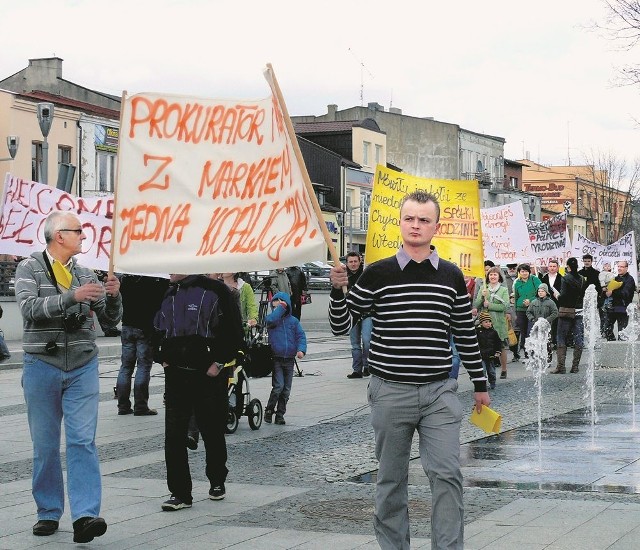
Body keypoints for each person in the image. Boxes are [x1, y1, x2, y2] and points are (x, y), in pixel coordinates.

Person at [328, 190, 489, 550]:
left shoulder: (450, 275)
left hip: (438, 392)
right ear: (400, 222)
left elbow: (464, 332)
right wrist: (338, 292)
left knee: (447, 475)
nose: (416, 225)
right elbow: (342, 326)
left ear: (436, 226)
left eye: (424, 220)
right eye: (410, 219)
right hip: (390, 391)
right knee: (390, 480)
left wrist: (480, 383)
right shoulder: (377, 273)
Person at [16, 211, 122, 543]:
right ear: (59, 235)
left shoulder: (86, 273)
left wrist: (114, 296)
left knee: (82, 441)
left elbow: (110, 319)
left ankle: (85, 516)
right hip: (41, 365)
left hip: (82, 365)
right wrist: (70, 298)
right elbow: (28, 308)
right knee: (45, 445)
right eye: (78, 231)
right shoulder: (28, 268)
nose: (84, 236)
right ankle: (47, 511)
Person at [154, 274, 244, 510]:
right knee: (173, 436)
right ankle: (180, 493)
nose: (169, 271)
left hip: (207, 376)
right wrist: (162, 357)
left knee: (212, 430)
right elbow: (156, 327)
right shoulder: (169, 292)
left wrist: (218, 363)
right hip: (176, 374)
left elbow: (234, 332)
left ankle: (216, 479)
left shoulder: (217, 291)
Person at [116, 275, 170, 416]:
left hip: (127, 326)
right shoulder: (152, 280)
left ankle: (123, 405)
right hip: (145, 327)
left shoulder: (125, 280)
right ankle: (140, 406)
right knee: (143, 367)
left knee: (126, 367)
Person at [264, 291, 306, 425]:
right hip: (276, 358)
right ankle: (269, 409)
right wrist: (279, 309)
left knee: (286, 390)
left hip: (289, 359)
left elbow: (301, 337)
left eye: (282, 303)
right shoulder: (273, 320)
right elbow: (269, 320)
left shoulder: (293, 321)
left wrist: (301, 350)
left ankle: (280, 414)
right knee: (278, 387)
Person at [473, 266, 510, 379]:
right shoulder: (484, 288)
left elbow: (505, 306)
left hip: (499, 322)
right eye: (491, 274)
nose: (493, 276)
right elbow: (477, 304)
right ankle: (486, 370)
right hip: (486, 321)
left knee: (501, 346)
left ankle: (504, 369)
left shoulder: (503, 290)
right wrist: (481, 297)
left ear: (499, 277)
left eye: (495, 274)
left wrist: (491, 305)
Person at [552, 257, 586, 374]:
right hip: (579, 310)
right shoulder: (582, 278)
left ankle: (561, 366)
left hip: (566, 311)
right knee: (578, 338)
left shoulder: (565, 278)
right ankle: (575, 366)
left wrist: (557, 295)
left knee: (561, 337)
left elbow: (564, 296)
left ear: (568, 267)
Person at [344, 251, 373, 379]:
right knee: (355, 344)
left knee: (367, 341)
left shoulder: (366, 274)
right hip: (351, 314)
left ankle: (367, 366)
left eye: (355, 261)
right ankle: (357, 370)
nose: (353, 264)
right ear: (347, 263)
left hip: (367, 313)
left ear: (360, 261)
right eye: (351, 261)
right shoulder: (344, 276)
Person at [513, 263, 541, 359]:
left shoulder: (534, 280)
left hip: (533, 309)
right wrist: (516, 311)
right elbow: (516, 297)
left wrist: (531, 300)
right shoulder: (517, 283)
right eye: (522, 271)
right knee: (523, 332)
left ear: (529, 272)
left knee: (531, 331)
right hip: (521, 310)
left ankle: (533, 353)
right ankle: (527, 354)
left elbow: (540, 293)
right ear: (519, 272)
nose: (524, 273)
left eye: (526, 271)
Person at [526, 283, 558, 362]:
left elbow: (555, 313)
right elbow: (528, 312)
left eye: (542, 291)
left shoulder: (550, 302)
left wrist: (547, 320)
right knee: (536, 342)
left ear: (546, 292)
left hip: (546, 327)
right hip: (536, 326)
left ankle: (548, 359)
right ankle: (537, 358)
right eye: (539, 291)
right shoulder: (533, 302)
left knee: (547, 343)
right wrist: (532, 319)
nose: (540, 292)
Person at [604, 260, 637, 340]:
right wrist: (606, 291)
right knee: (606, 329)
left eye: (622, 267)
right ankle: (612, 345)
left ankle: (620, 349)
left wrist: (613, 291)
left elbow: (626, 293)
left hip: (623, 308)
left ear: (626, 268)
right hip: (612, 308)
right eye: (618, 266)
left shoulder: (630, 279)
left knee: (622, 332)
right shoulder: (615, 278)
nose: (619, 268)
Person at [476, 311, 502, 390]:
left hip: (491, 355)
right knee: (482, 371)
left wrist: (498, 351)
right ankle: (482, 383)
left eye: (489, 322)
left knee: (491, 371)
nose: (488, 324)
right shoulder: (477, 331)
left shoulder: (493, 332)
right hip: (481, 355)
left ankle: (492, 381)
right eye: (486, 322)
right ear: (481, 323)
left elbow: (498, 342)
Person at [540, 259, 562, 348]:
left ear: (557, 268)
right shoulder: (543, 278)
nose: (552, 268)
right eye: (550, 266)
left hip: (557, 303)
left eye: (554, 266)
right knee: (546, 321)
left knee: (556, 323)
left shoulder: (562, 278)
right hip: (545, 303)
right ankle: (547, 341)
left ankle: (555, 341)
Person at [599, 262, 615, 337]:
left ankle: (607, 331)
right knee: (604, 316)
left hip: (611, 292)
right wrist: (603, 287)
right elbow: (602, 281)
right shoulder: (602, 274)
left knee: (608, 317)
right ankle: (603, 331)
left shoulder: (612, 274)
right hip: (605, 293)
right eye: (606, 266)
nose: (607, 267)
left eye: (609, 265)